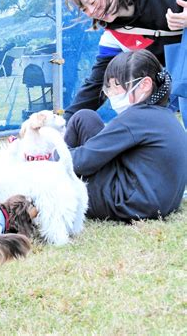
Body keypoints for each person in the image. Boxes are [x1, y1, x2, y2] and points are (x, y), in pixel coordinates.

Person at [63, 0, 187, 126]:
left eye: (92, 1)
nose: (92, 11)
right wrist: (63, 124)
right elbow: (97, 83)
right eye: (85, 9)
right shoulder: (114, 35)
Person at [64, 50, 186, 222]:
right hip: (157, 202)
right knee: (85, 118)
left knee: (77, 126)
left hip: (128, 204)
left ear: (144, 85)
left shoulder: (136, 117)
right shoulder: (164, 116)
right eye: (109, 87)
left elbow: (82, 161)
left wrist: (48, 157)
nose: (112, 93)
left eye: (117, 85)